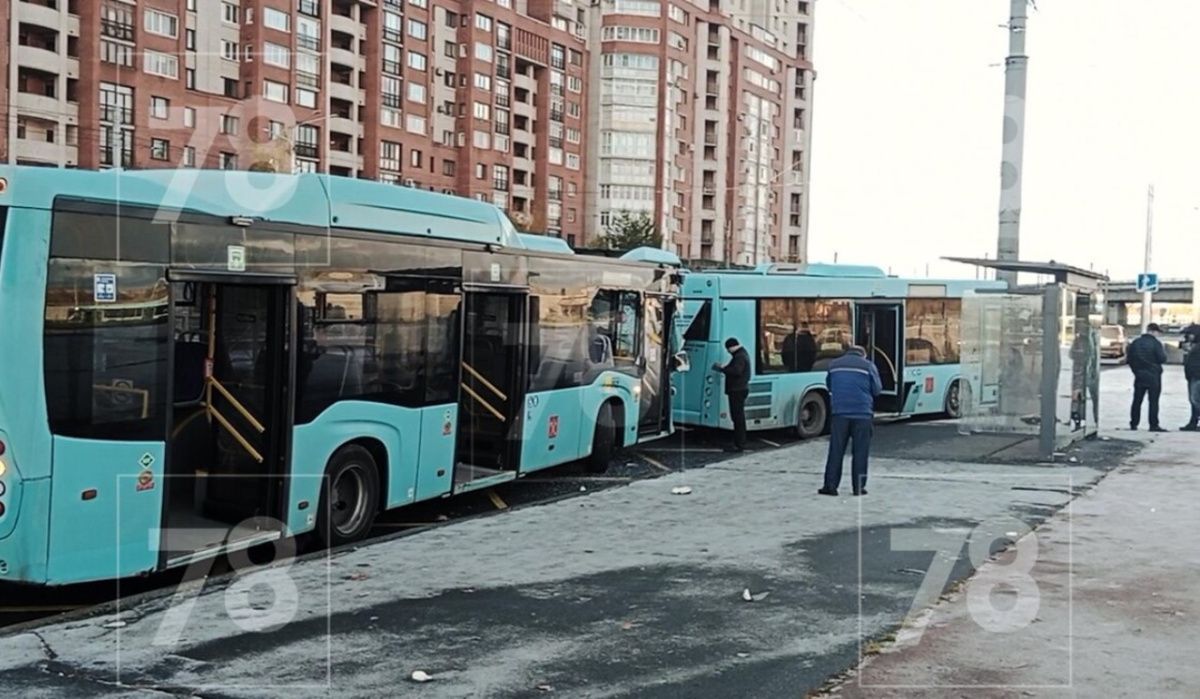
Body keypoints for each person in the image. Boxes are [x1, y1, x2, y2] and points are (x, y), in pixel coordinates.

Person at [820, 345, 882, 496]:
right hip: (862, 414)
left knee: (836, 450)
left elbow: (829, 386)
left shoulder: (834, 365)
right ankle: (858, 488)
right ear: (863, 355)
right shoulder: (868, 366)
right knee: (860, 452)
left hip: (839, 413)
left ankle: (830, 486)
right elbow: (877, 389)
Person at [712, 337, 751, 452]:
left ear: (732, 347)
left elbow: (736, 371)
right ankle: (739, 442)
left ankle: (740, 444)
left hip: (737, 390)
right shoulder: (742, 354)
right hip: (740, 389)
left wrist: (722, 368)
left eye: (728, 349)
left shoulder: (739, 356)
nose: (728, 351)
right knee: (738, 417)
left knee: (737, 418)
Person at [1128, 323, 1168, 432]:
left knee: (1137, 400)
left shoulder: (1136, 343)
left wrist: (1136, 371)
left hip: (1139, 375)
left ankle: (1134, 423)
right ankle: (1153, 424)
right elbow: (1162, 359)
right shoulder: (1156, 343)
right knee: (1153, 401)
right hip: (1153, 375)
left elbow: (1130, 359)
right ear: (1154, 331)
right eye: (1158, 332)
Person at [1181, 324, 1200, 431]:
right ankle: (1193, 421)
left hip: (1197, 376)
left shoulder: (1197, 347)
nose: (1187, 337)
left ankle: (1194, 422)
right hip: (1193, 377)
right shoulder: (1194, 346)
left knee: (1195, 400)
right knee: (1194, 400)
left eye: (1189, 335)